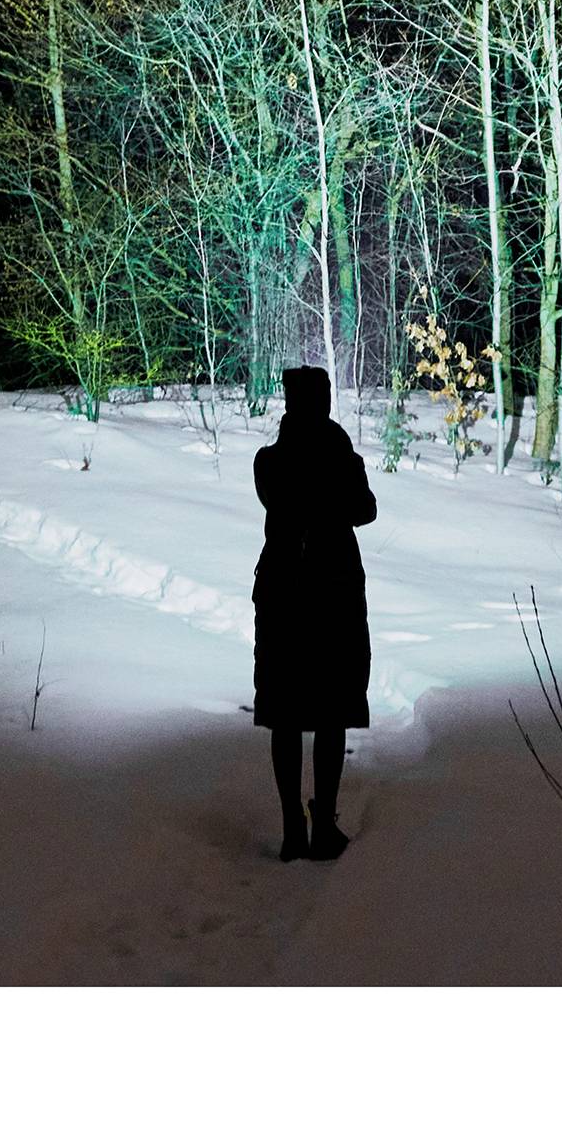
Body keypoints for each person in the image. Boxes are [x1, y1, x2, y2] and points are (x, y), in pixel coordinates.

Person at [252, 363, 376, 861]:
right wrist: (339, 457)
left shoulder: (271, 461)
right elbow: (364, 509)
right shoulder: (336, 458)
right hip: (331, 594)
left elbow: (285, 500)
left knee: (288, 714)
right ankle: (320, 826)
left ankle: (294, 829)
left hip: (284, 594)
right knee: (329, 712)